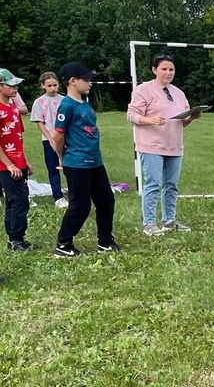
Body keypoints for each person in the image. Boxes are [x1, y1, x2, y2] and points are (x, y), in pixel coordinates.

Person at [127, 53, 201, 235]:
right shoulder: (143, 90)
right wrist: (150, 120)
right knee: (153, 183)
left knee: (171, 185)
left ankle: (169, 220)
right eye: (164, 69)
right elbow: (131, 115)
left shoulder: (179, 93)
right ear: (154, 70)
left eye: (171, 69)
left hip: (174, 146)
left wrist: (191, 117)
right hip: (151, 145)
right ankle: (149, 223)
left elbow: (182, 121)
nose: (168, 73)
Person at [53, 63, 119, 256]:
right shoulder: (66, 105)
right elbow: (58, 136)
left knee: (106, 201)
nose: (90, 83)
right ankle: (63, 245)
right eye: (86, 79)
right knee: (80, 206)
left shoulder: (84, 103)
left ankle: (105, 242)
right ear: (72, 81)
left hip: (95, 162)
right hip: (78, 163)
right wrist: (62, 158)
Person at [0, 68, 32, 251]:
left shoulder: (13, 107)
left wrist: (24, 161)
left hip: (18, 163)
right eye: (11, 85)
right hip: (6, 166)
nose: (15, 88)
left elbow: (17, 137)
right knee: (17, 201)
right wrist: (9, 164)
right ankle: (15, 240)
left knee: (19, 200)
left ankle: (17, 238)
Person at [29, 73, 67, 208]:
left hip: (66, 139)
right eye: (49, 85)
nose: (53, 88)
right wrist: (50, 138)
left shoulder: (65, 100)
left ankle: (75, 193)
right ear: (43, 86)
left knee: (70, 166)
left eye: (55, 85)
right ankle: (58, 197)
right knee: (53, 168)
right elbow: (40, 122)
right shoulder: (39, 102)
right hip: (48, 139)